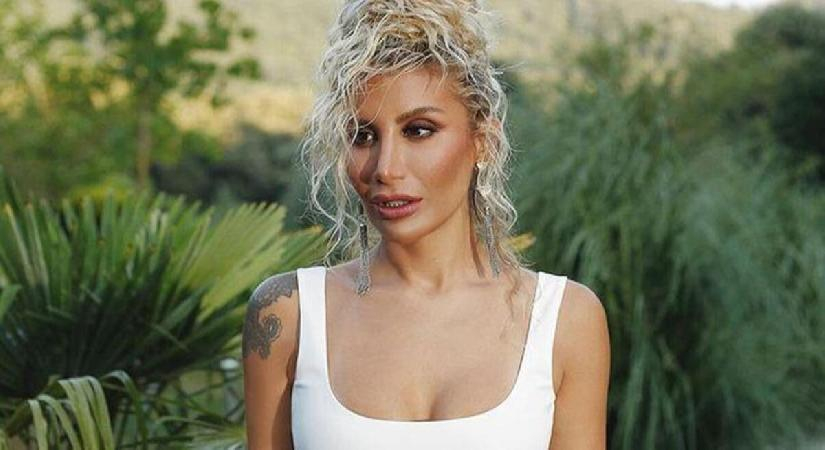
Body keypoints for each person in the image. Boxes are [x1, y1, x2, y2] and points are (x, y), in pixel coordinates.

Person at [243, 0, 610, 449]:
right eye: (362, 136)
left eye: (418, 130)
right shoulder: (288, 314)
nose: (386, 167)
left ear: (484, 141)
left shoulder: (564, 318)